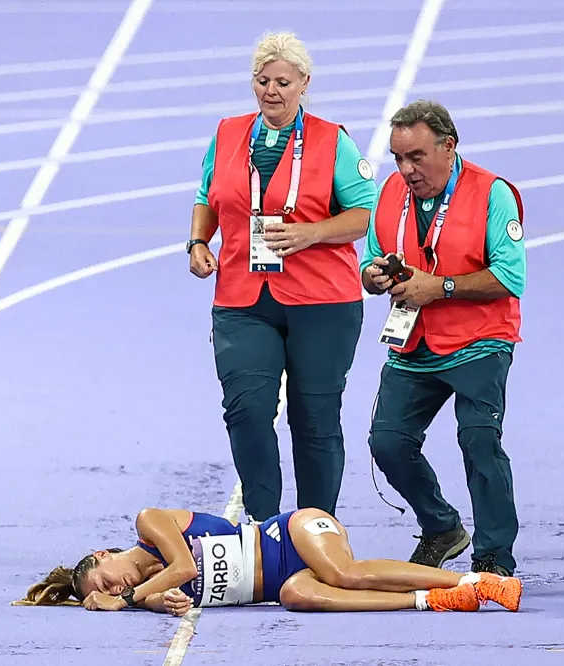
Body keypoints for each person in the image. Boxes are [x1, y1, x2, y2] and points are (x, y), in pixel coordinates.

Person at [186, 31, 377, 523]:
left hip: (322, 302)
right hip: (242, 297)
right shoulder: (227, 134)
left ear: (304, 84)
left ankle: (317, 529)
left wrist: (311, 233)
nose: (271, 90)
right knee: (246, 410)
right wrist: (197, 243)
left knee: (313, 419)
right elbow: (208, 197)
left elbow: (367, 213)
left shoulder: (332, 139)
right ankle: (263, 526)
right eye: (262, 80)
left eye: (283, 82)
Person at [361, 100, 527, 577]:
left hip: (480, 340)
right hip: (413, 342)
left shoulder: (492, 193)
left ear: (448, 146)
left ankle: (494, 557)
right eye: (397, 158)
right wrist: (375, 277)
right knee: (387, 442)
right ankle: (441, 527)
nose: (406, 169)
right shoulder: (390, 193)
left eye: (415, 157)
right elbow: (373, 259)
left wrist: (443, 287)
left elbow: (510, 278)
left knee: (479, 440)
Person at [13, 506, 522, 614]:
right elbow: (173, 593)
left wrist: (128, 598)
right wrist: (147, 603)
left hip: (291, 532)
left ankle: (479, 579)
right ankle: (432, 599)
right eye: (113, 589)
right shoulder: (152, 595)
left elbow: (186, 568)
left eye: (107, 579)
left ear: (102, 554)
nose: (118, 585)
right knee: (298, 596)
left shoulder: (149, 524)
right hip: (284, 577)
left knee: (342, 572)